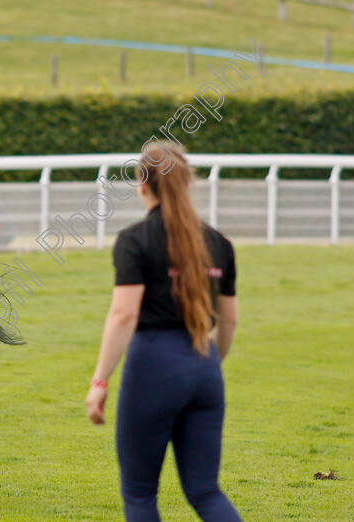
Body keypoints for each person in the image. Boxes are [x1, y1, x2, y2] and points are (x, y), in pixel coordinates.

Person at [84, 141, 242, 521]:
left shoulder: (135, 240)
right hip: (204, 368)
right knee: (206, 492)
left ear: (143, 183)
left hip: (153, 366)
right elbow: (230, 320)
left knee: (140, 495)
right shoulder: (219, 243)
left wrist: (100, 382)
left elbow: (123, 316)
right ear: (187, 183)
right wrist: (206, 363)